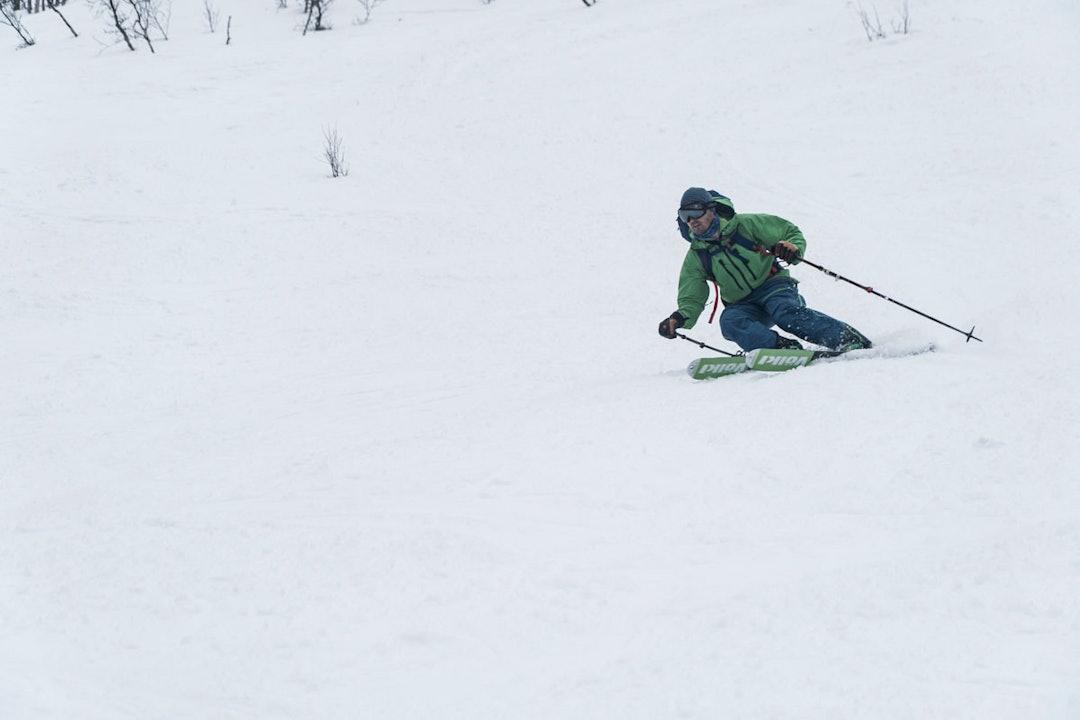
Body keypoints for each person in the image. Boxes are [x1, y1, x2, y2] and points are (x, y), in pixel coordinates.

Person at [658, 187, 872, 352]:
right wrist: (679, 318)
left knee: (785, 313)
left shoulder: (746, 225)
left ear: (710, 209)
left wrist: (792, 248)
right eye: (685, 215)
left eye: (695, 211)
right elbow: (692, 295)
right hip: (742, 304)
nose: (691, 220)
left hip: (773, 287)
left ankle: (845, 338)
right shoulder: (697, 255)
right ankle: (782, 349)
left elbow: (789, 232)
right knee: (730, 322)